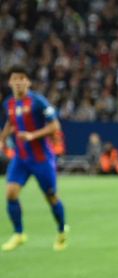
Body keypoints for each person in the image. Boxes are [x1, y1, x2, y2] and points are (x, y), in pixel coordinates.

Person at [0, 65, 68, 252]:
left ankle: (62, 231)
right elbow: (11, 122)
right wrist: (2, 138)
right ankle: (19, 234)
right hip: (21, 159)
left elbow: (55, 126)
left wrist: (33, 135)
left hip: (41, 159)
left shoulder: (38, 102)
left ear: (28, 81)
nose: (18, 82)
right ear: (10, 82)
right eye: (15, 79)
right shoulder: (9, 104)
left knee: (51, 196)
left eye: (22, 78)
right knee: (11, 193)